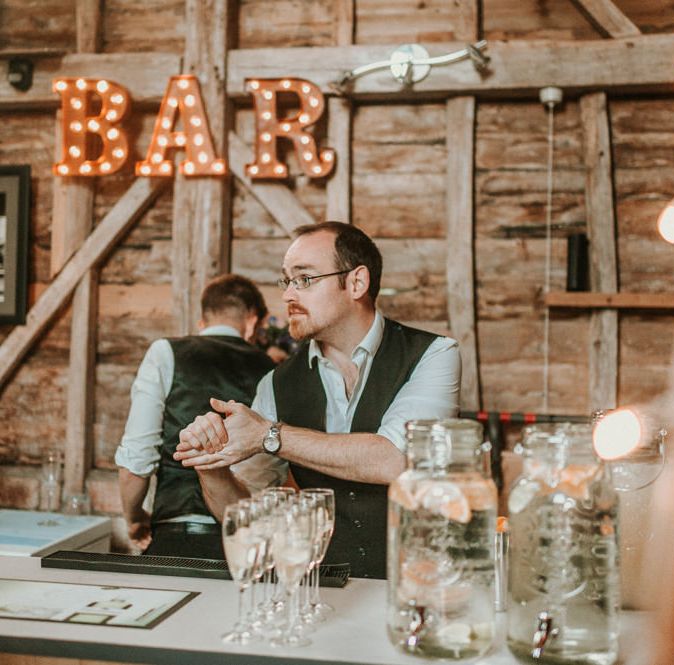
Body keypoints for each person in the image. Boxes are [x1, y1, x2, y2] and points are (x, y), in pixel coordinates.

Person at [174, 222, 461, 577]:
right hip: (322, 589)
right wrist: (212, 466)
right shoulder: (275, 384)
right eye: (287, 281)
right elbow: (244, 512)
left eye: (305, 279)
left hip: (420, 584)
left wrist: (270, 435)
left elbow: (397, 460)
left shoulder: (434, 354)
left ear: (357, 282)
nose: (288, 295)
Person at [115, 274, 277, 559]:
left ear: (203, 320)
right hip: (243, 542)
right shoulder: (273, 370)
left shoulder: (165, 353)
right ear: (253, 320)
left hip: (172, 532)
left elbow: (136, 462)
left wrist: (135, 519)